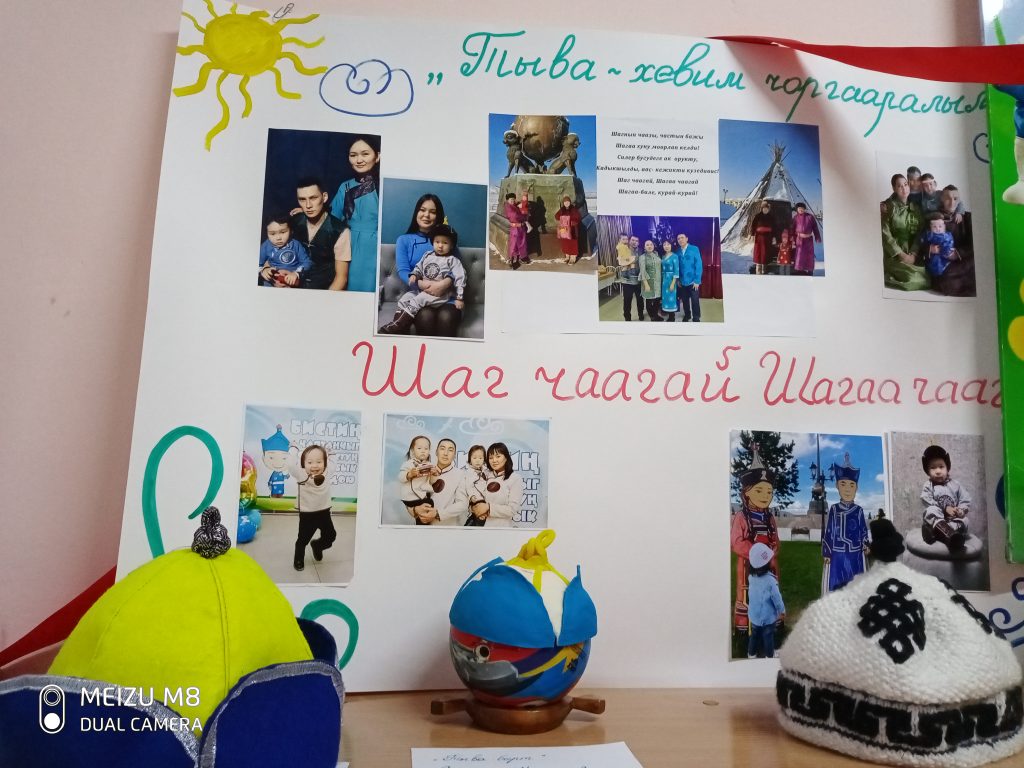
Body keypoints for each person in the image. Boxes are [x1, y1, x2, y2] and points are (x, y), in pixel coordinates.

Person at [394, 193, 462, 337]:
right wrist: (422, 285)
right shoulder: (403, 240)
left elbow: (457, 269)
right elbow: (403, 271)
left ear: (438, 216)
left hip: (447, 297)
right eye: (422, 210)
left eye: (432, 212)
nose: (426, 215)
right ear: (416, 212)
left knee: (446, 317)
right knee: (426, 317)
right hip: (420, 296)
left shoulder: (446, 240)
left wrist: (444, 284)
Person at [379, 225, 465, 335]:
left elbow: (460, 278)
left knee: (417, 301)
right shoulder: (427, 255)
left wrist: (459, 298)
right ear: (432, 242)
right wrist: (414, 275)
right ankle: (400, 326)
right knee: (405, 299)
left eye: (445, 243)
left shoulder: (452, 260)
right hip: (423, 290)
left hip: (439, 294)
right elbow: (419, 267)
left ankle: (396, 325)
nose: (440, 246)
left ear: (452, 245)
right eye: (437, 242)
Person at [731, 447, 780, 632]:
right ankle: (746, 625)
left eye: (769, 492)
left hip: (770, 564)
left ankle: (771, 620)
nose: (765, 496)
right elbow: (736, 542)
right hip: (748, 565)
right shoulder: (741, 517)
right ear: (747, 492)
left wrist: (773, 550)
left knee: (770, 589)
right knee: (749, 592)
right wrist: (758, 553)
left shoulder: (770, 517)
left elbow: (775, 539)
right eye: (759, 491)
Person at [330, 135, 380, 293]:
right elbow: (332, 219)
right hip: (348, 245)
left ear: (377, 156)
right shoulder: (344, 186)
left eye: (365, 154)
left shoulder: (383, 186)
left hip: (374, 246)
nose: (359, 160)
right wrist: (309, 214)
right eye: (353, 155)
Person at [291, 177, 351, 290]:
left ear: (324, 197)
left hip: (324, 290)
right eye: (302, 199)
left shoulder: (340, 230)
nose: (308, 205)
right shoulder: (294, 221)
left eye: (313, 198)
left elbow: (341, 279)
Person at [821, 453, 869, 594]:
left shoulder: (858, 510)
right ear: (837, 486)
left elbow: (863, 530)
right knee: (837, 585)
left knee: (855, 584)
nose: (847, 489)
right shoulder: (834, 509)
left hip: (855, 554)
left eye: (851, 485)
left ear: (856, 488)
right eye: (843, 484)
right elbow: (829, 531)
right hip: (838, 554)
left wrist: (866, 545)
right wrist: (827, 552)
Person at [289, 444, 337, 571]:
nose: (315, 465)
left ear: (324, 463)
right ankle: (298, 559)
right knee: (303, 539)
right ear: (303, 464)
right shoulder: (301, 474)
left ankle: (317, 545)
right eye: (310, 462)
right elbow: (290, 465)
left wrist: (331, 451)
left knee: (331, 535)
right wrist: (293, 449)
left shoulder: (327, 472)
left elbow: (333, 461)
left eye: (319, 462)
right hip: (307, 514)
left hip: (324, 512)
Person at [881, 174, 928, 291]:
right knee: (913, 279)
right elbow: (885, 234)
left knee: (928, 276)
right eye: (899, 186)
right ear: (894, 189)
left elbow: (920, 232)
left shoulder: (915, 208)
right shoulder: (889, 207)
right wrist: (900, 254)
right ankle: (888, 276)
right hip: (895, 255)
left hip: (912, 254)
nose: (904, 188)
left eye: (905, 184)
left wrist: (913, 254)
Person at [920, 444, 971, 551]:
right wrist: (945, 508)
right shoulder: (928, 486)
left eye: (941, 466)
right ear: (927, 471)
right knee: (931, 510)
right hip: (938, 519)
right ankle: (949, 536)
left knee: (965, 521)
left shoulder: (955, 485)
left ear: (947, 468)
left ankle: (937, 534)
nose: (938, 471)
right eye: (933, 468)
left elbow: (965, 499)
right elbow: (926, 499)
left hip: (952, 519)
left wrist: (961, 510)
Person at [410, 438, 470, 526]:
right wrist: (415, 509)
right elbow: (411, 496)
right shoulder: (424, 469)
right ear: (436, 452)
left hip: (447, 527)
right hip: (421, 527)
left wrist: (438, 514)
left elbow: (462, 504)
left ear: (454, 455)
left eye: (450, 450)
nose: (445, 453)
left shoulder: (461, 475)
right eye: (442, 449)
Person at [466, 442, 523, 528]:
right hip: (478, 526)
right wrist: (474, 508)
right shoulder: (483, 474)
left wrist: (488, 507)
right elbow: (472, 493)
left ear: (506, 457)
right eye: (490, 458)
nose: (494, 460)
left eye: (498, 456)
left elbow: (512, 509)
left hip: (500, 528)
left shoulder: (515, 478)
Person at [746, 542, 785, 659]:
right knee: (768, 636)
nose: (773, 559)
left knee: (754, 635)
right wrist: (782, 611)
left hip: (754, 616)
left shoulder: (751, 577)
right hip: (768, 618)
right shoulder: (771, 581)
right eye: (770, 559)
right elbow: (777, 599)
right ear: (766, 564)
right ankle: (769, 655)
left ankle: (751, 654)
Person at [259, 212, 311, 287]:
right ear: (267, 233)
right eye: (272, 234)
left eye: (283, 232)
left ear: (291, 231)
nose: (278, 238)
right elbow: (257, 264)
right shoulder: (266, 245)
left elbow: (306, 262)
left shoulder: (296, 244)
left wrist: (296, 273)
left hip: (292, 281)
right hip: (272, 281)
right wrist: (264, 270)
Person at [398, 435, 438, 526]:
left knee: (429, 502)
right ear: (412, 451)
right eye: (419, 448)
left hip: (420, 496)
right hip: (409, 497)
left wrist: (434, 474)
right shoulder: (408, 464)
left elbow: (431, 482)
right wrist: (409, 474)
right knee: (428, 503)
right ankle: (422, 524)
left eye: (426, 448)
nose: (423, 451)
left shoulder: (429, 465)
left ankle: (423, 523)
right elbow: (400, 477)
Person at [921, 213, 956, 280]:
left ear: (944, 227)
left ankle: (939, 274)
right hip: (932, 256)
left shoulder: (946, 236)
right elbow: (923, 241)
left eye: (940, 226)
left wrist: (945, 250)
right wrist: (929, 248)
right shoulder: (929, 234)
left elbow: (949, 243)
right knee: (932, 264)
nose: (937, 229)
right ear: (930, 227)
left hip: (944, 256)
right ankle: (933, 275)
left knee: (941, 266)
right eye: (934, 227)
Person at [676, 233, 702, 322]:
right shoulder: (677, 252)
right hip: (682, 281)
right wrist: (678, 279)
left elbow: (698, 264)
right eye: (678, 238)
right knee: (685, 300)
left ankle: (696, 317)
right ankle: (687, 315)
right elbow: (677, 267)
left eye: (682, 238)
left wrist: (697, 280)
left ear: (687, 238)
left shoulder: (694, 249)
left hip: (693, 281)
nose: (680, 240)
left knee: (695, 300)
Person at [617, 234, 643, 321]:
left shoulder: (641, 251)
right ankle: (627, 318)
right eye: (633, 240)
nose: (634, 242)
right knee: (627, 300)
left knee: (640, 299)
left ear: (638, 243)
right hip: (627, 280)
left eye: (636, 241)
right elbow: (621, 262)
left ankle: (641, 315)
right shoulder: (624, 249)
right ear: (629, 240)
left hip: (638, 280)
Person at [791, 202, 821, 276]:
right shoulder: (795, 218)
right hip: (799, 239)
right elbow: (792, 229)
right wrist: (792, 240)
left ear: (804, 209)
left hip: (808, 240)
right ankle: (799, 271)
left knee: (809, 256)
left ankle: (810, 271)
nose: (801, 210)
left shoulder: (810, 217)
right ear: (797, 209)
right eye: (799, 208)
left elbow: (815, 227)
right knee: (799, 255)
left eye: (802, 208)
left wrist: (817, 237)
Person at [461, 444, 488, 527]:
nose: (477, 461)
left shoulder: (486, 472)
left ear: (484, 460)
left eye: (480, 458)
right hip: (475, 499)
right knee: (476, 518)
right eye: (474, 458)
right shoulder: (468, 473)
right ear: (470, 460)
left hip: (485, 500)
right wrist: (471, 496)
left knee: (481, 519)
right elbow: (468, 486)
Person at [260, 425, 290, 498]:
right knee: (274, 494)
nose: (278, 463)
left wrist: (286, 476)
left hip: (280, 486)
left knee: (280, 494)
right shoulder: (274, 473)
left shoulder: (281, 473)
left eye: (284, 458)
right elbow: (271, 479)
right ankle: (273, 496)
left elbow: (284, 476)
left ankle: (280, 496)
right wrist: (270, 484)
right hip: (275, 486)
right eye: (271, 457)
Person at [639, 239, 663, 321]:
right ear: (644, 247)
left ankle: (655, 314)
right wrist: (646, 284)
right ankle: (652, 316)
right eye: (647, 245)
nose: (649, 246)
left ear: (653, 246)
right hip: (649, 282)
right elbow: (643, 271)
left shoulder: (656, 255)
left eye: (651, 244)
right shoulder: (642, 257)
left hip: (658, 282)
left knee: (657, 299)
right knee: (649, 300)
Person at [554, 195, 581, 264]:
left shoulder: (573, 209)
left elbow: (578, 217)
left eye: (568, 202)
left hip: (572, 229)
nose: (566, 203)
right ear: (563, 203)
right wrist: (561, 217)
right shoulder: (562, 209)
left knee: (573, 243)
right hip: (565, 230)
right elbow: (556, 216)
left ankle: (573, 258)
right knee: (565, 243)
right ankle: (567, 256)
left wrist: (572, 221)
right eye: (565, 202)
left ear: (570, 202)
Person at [504, 192, 528, 270]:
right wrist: (523, 216)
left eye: (514, 199)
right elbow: (514, 216)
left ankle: (521, 257)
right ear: (507, 200)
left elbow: (522, 212)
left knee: (521, 242)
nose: (513, 201)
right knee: (513, 244)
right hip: (515, 228)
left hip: (521, 227)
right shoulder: (508, 207)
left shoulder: (514, 205)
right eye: (511, 199)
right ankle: (511, 260)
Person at [751, 201, 775, 276]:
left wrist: (774, 237)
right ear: (762, 209)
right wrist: (752, 235)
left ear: (768, 209)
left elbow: (774, 228)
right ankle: (758, 270)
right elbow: (753, 226)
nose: (765, 210)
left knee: (765, 253)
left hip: (768, 238)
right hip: (759, 238)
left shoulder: (771, 217)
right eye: (764, 208)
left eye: (767, 208)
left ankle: (764, 270)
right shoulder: (757, 216)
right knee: (758, 253)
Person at [660, 239, 680, 322]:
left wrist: (673, 283)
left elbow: (676, 270)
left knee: (671, 296)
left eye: (668, 244)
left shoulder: (675, 256)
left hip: (671, 280)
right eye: (664, 244)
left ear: (671, 245)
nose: (666, 246)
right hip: (664, 280)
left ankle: (672, 317)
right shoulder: (663, 256)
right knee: (665, 297)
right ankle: (667, 312)